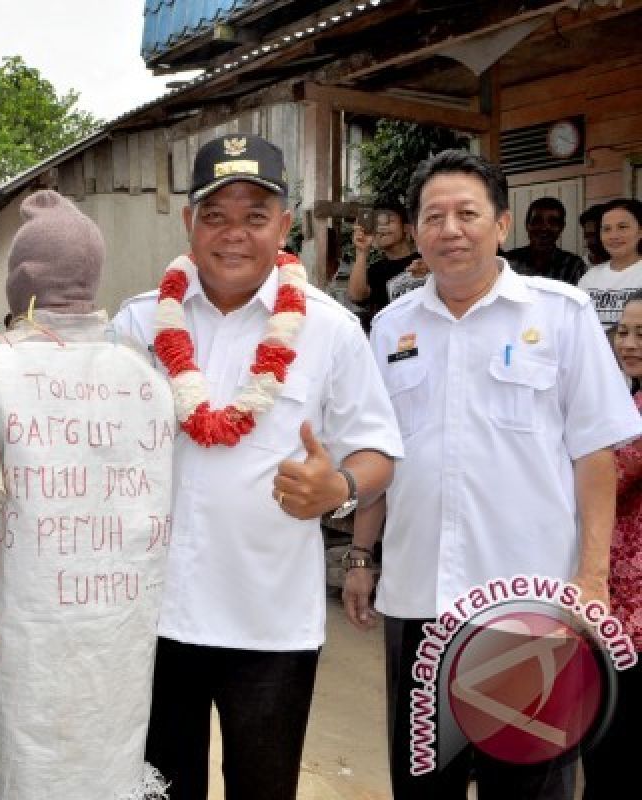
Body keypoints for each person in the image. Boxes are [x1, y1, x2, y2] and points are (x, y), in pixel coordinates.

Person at [113, 134, 403, 800]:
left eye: (254, 215)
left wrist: (340, 486)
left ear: (284, 224)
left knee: (263, 788)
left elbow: (378, 448)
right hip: (153, 617)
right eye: (215, 215)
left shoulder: (329, 328)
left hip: (269, 620)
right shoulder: (135, 326)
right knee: (156, 790)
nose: (233, 234)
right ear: (189, 223)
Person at [347, 150, 641, 799]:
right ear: (418, 231)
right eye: (434, 216)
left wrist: (591, 579)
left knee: (529, 786)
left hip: (531, 610)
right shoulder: (391, 327)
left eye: (467, 213)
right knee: (426, 784)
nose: (450, 229)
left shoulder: (560, 314)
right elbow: (382, 454)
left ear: (501, 225)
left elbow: (595, 454)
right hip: (420, 603)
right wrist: (361, 557)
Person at [0, 191, 173, 798]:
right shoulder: (143, 367)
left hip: (30, 617)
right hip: (118, 619)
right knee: (106, 753)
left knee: (30, 755)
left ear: (21, 282)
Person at [580, 289, 642, 797]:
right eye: (623, 331)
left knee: (614, 732)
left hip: (630, 598)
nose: (629, 343)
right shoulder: (631, 398)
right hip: (621, 590)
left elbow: (609, 475)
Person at [346, 201, 423, 322]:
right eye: (376, 223)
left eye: (390, 221)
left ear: (406, 227)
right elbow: (357, 297)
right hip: (393, 338)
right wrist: (361, 251)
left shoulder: (425, 262)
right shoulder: (376, 271)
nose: (382, 227)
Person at [579, 198, 642, 332]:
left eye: (622, 227)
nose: (614, 236)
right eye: (606, 229)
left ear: (640, 231)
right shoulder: (589, 278)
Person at [505, 197, 586, 286]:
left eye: (553, 222)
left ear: (561, 227)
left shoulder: (574, 266)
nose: (544, 228)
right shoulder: (508, 262)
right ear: (527, 225)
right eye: (537, 221)